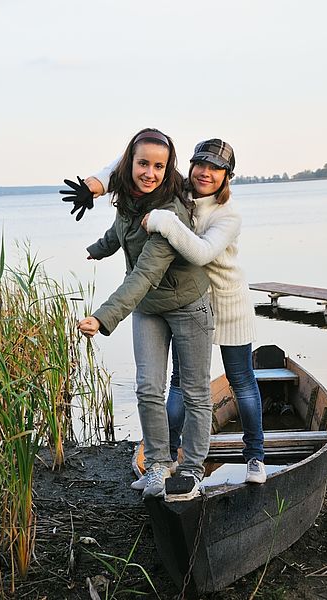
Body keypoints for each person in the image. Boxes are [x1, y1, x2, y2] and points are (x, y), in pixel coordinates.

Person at [90, 138, 266, 485]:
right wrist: (93, 185)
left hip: (226, 302)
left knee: (240, 381)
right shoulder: (181, 190)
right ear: (190, 166)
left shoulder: (227, 214)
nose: (205, 173)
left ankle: (255, 456)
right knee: (177, 385)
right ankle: (166, 457)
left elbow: (201, 253)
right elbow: (131, 164)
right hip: (188, 300)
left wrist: (163, 220)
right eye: (201, 165)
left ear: (227, 175)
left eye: (216, 168)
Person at [61, 128, 214, 501]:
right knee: (148, 387)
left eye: (159, 166)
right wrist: (99, 248)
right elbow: (121, 230)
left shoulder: (169, 212)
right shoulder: (130, 198)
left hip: (187, 307)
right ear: (129, 163)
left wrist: (102, 317)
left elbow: (144, 274)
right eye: (143, 163)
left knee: (195, 392)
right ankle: (159, 465)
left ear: (168, 169)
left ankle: (192, 470)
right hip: (149, 309)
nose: (149, 172)